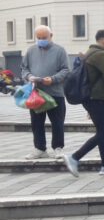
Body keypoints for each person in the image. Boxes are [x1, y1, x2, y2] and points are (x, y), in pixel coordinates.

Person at [63, 30, 104, 177]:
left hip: (90, 98)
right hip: (96, 98)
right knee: (103, 132)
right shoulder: (101, 54)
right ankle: (74, 157)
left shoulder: (90, 52)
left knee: (102, 132)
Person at [21, 25, 69, 160]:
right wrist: (29, 77)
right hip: (36, 93)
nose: (41, 40)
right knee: (36, 122)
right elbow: (24, 69)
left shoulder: (60, 51)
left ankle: (58, 148)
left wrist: (53, 79)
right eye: (39, 38)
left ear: (51, 36)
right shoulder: (30, 51)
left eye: (44, 38)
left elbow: (66, 70)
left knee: (57, 122)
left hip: (55, 93)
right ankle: (39, 148)